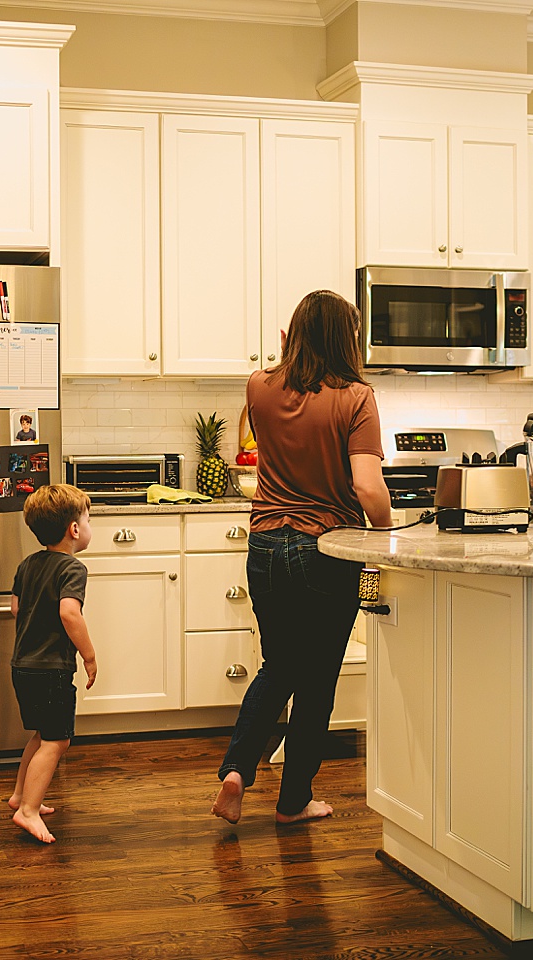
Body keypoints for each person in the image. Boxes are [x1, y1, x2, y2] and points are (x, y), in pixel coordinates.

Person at [211, 289, 392, 826]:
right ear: (347, 339)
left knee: (279, 664)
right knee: (318, 681)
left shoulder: (259, 387)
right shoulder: (357, 397)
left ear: (294, 335)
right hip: (327, 551)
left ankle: (238, 769)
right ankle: (293, 801)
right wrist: (384, 535)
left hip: (265, 545)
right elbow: (368, 487)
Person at [8, 483, 99, 843]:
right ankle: (28, 811)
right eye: (88, 519)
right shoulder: (72, 568)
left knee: (41, 734)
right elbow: (69, 613)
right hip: (51, 669)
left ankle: (21, 796)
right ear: (74, 529)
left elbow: (15, 607)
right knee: (57, 741)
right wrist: (89, 656)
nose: (89, 526)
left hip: (22, 665)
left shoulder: (27, 564)